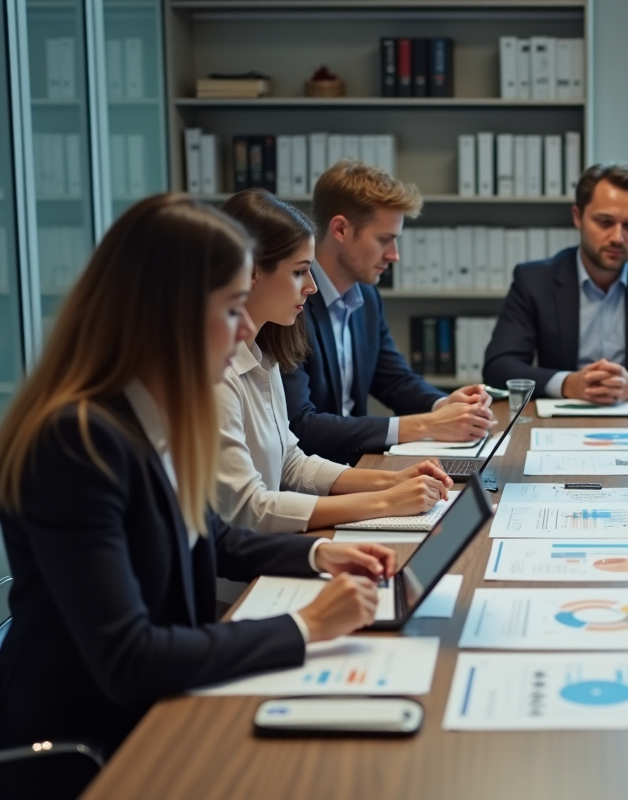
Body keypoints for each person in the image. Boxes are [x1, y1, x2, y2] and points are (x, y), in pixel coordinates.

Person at [0, 195, 395, 768]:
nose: (244, 332)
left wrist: (320, 557)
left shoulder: (152, 412)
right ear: (169, 310)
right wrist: (306, 624)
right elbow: (128, 656)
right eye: (232, 308)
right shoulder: (76, 443)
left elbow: (215, 540)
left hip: (160, 709)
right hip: (91, 748)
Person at [216, 188, 453, 533]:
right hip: (237, 578)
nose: (311, 286)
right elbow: (250, 509)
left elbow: (291, 464)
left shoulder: (263, 355)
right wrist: (387, 501)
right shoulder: (215, 376)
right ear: (250, 272)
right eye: (298, 272)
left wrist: (391, 480)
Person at [282, 161, 495, 464]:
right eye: (384, 239)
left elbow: (394, 380)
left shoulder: (366, 297)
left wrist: (442, 404)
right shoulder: (292, 304)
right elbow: (301, 425)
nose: (394, 255)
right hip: (309, 482)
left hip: (353, 468)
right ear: (340, 229)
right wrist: (426, 425)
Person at [482, 163, 628, 401]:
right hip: (561, 418)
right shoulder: (534, 280)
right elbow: (498, 368)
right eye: (605, 222)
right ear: (578, 217)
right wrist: (567, 384)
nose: (617, 237)